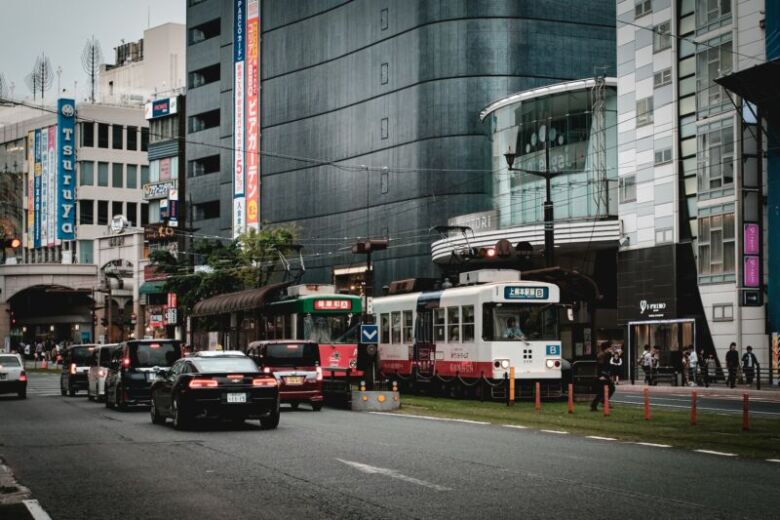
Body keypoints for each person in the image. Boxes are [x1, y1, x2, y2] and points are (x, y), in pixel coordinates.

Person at [591, 344, 615, 411]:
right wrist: (602, 375)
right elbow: (601, 365)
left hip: (605, 375)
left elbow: (607, 365)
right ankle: (596, 404)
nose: (611, 349)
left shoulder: (606, 355)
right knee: (602, 391)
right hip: (602, 375)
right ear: (606, 348)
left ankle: (601, 402)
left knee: (610, 389)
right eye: (610, 348)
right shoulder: (602, 355)